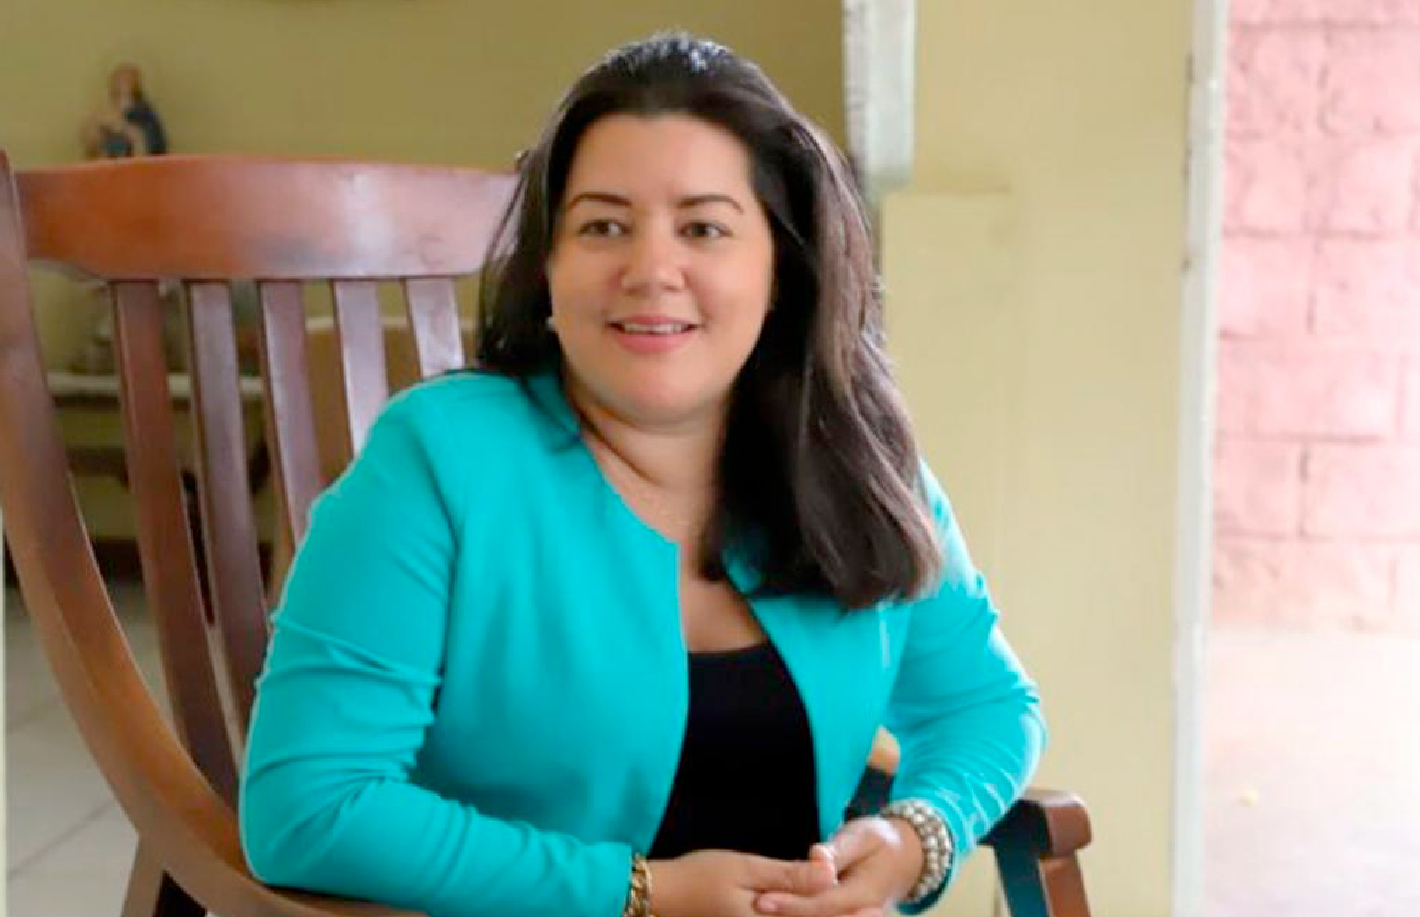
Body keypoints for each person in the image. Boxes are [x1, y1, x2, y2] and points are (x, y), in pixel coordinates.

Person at [240, 33, 1044, 917]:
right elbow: (309, 805)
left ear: (781, 267)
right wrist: (639, 892)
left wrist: (917, 834)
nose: (651, 270)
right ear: (547, 267)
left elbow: (985, 703)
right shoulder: (435, 460)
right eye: (602, 226)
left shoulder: (850, 457)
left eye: (703, 228)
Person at [79, 63, 168, 160]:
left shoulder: (145, 114)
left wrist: (122, 127)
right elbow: (92, 146)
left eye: (126, 82)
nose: (121, 85)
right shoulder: (107, 113)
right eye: (118, 82)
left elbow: (144, 147)